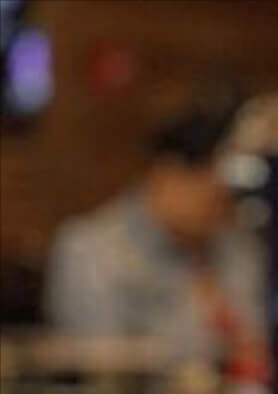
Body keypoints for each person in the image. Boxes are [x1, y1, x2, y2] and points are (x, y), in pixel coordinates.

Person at [44, 98, 261, 364]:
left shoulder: (235, 246)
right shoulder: (90, 250)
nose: (225, 204)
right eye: (214, 192)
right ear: (166, 174)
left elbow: (264, 342)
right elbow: (104, 370)